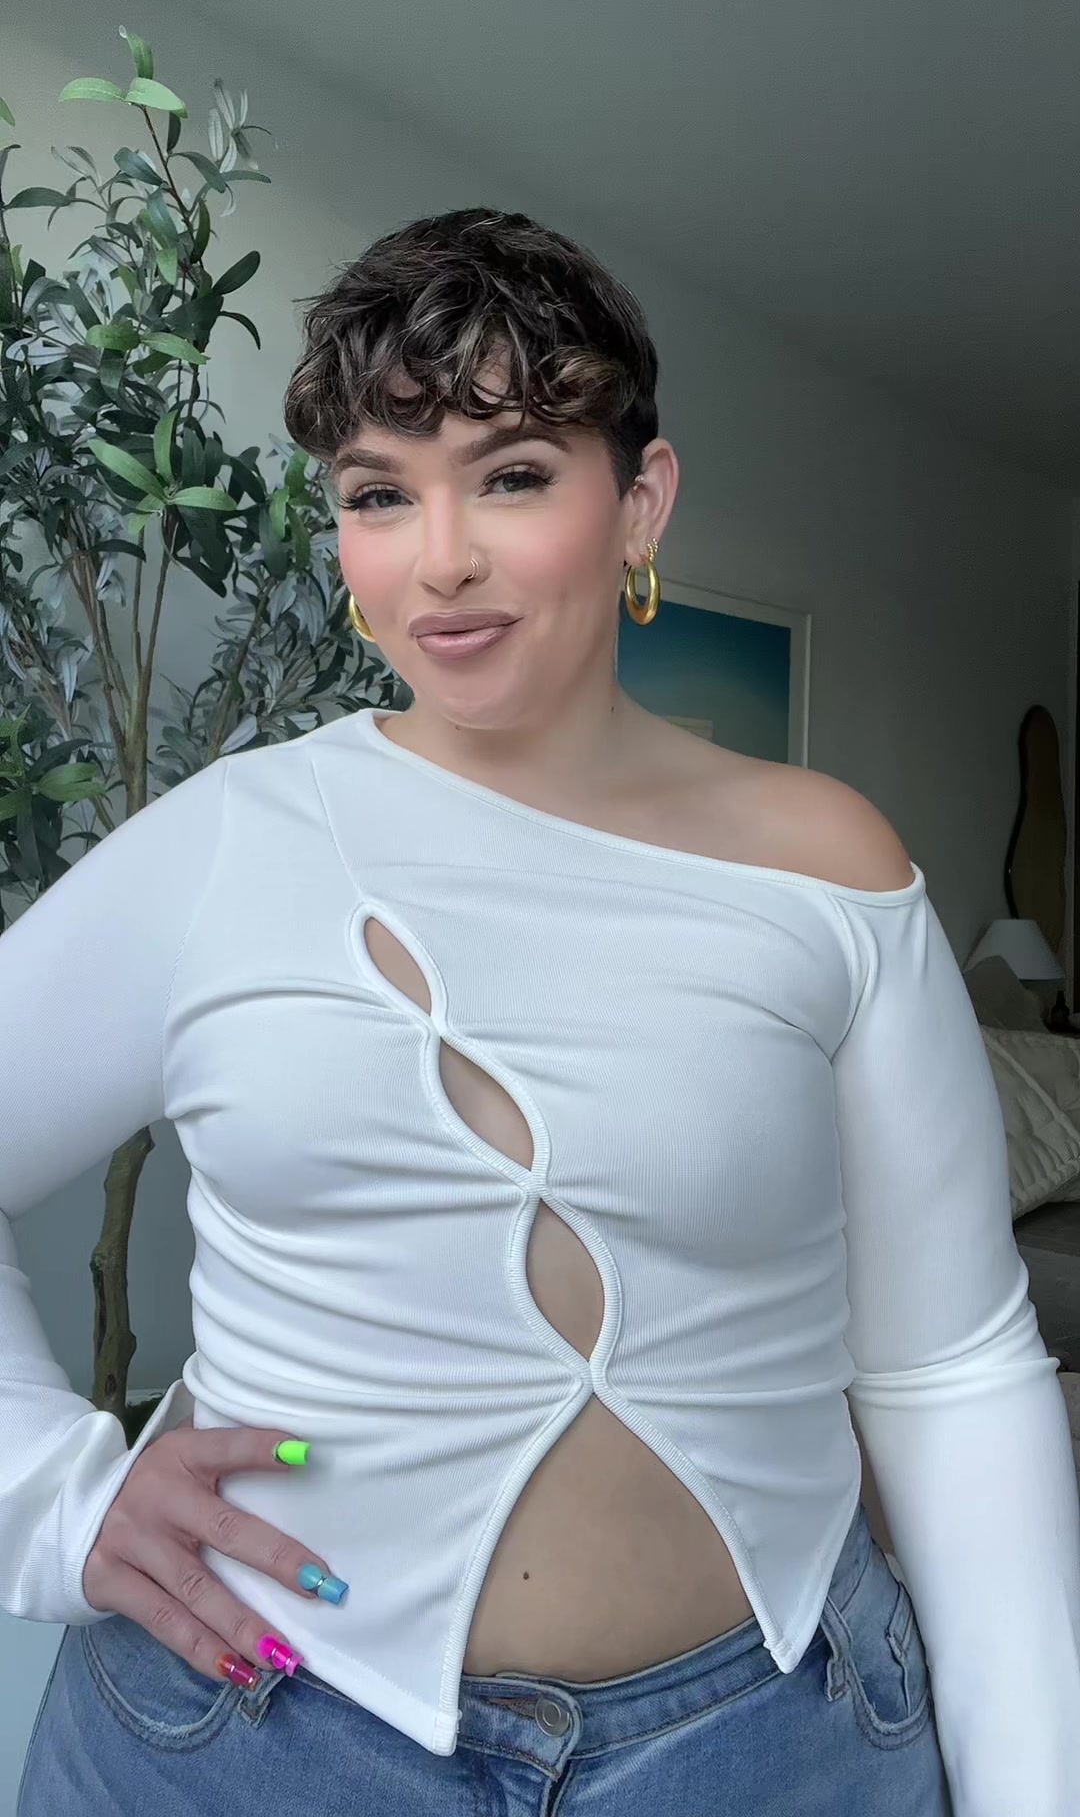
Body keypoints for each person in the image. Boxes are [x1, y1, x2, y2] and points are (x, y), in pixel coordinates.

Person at [5, 206, 1079, 1817]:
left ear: (639, 500)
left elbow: (953, 1366)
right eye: (380, 493)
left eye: (510, 475)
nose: (440, 558)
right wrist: (49, 1499)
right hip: (245, 1745)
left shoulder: (829, 868)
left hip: (770, 1753)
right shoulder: (225, 844)